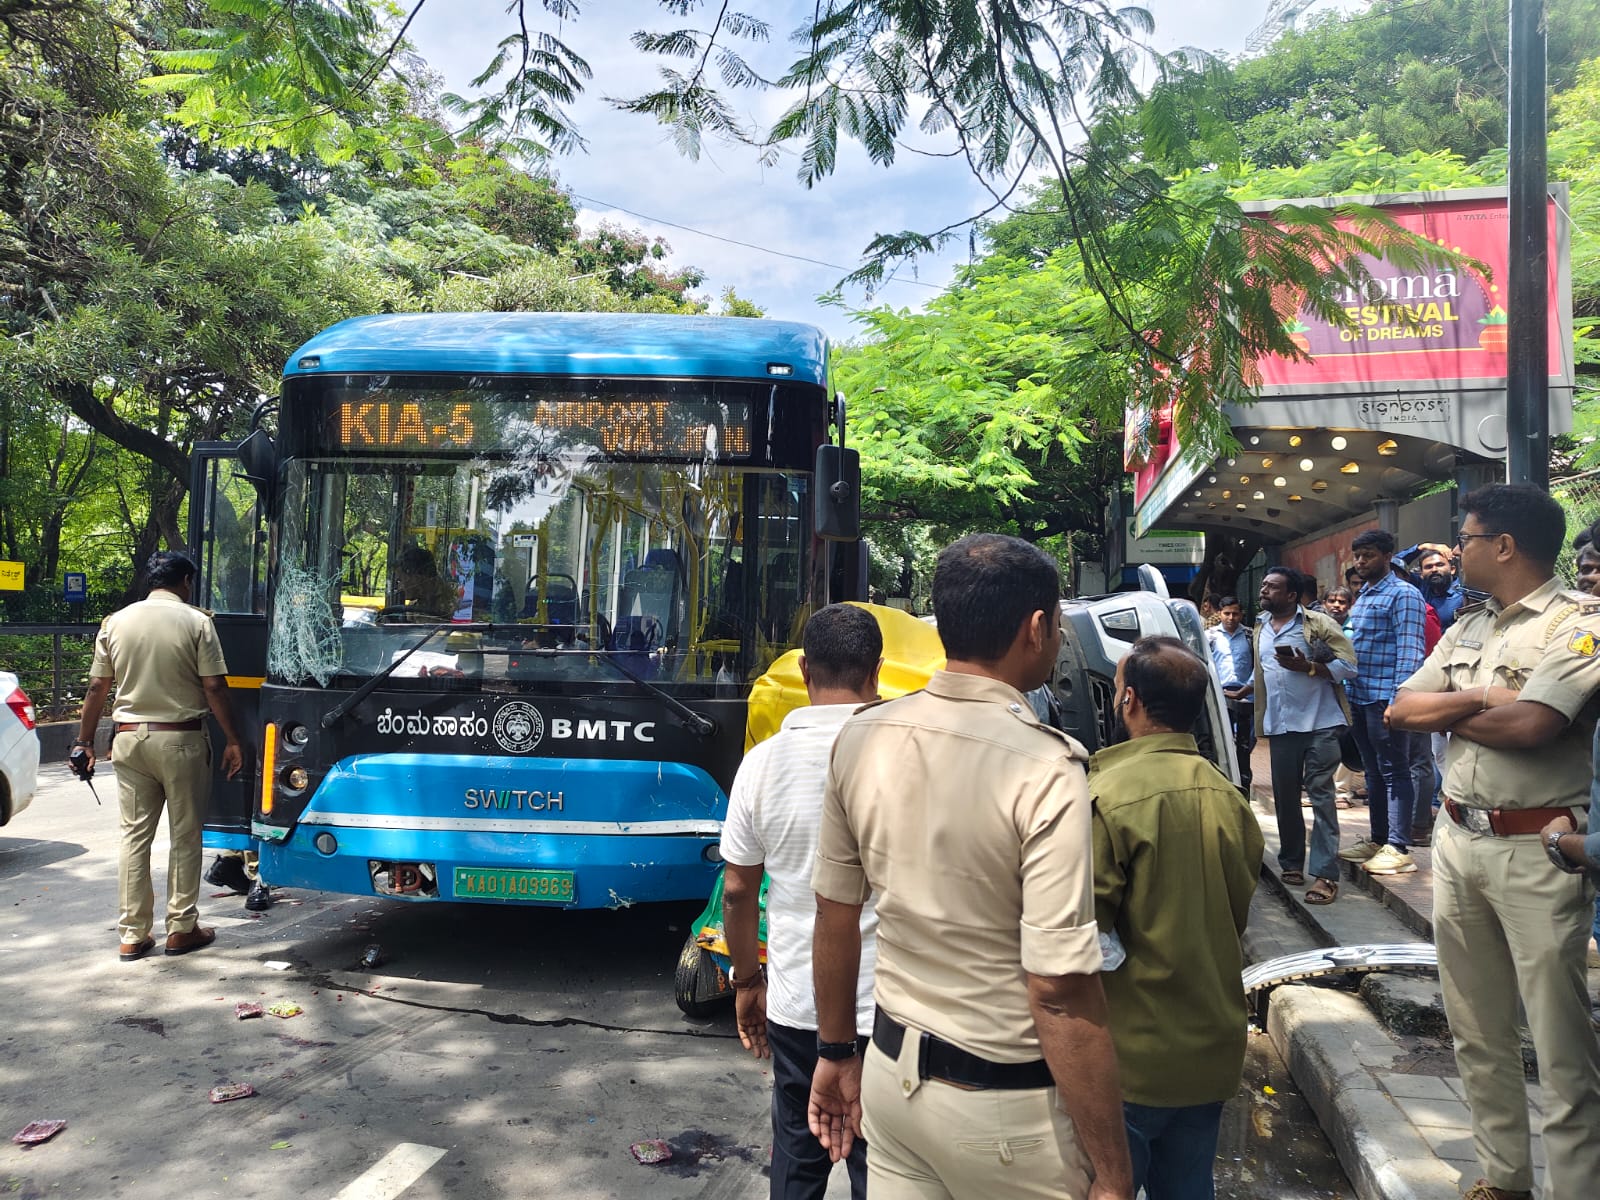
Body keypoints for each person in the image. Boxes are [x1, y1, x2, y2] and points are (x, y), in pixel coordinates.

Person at [809, 533, 1133, 1200]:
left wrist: (834, 1052)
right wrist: (1113, 1170)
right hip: (1007, 1118)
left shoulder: (863, 736)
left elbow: (834, 914)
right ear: (1036, 627)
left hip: (892, 1087)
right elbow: (1060, 989)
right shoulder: (1046, 766)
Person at [1389, 484, 1600, 1200]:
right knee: (1478, 1034)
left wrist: (1457, 710)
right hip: (1458, 839)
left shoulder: (1580, 625)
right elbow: (1400, 708)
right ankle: (1504, 1181)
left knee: (1562, 1048)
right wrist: (1486, 699)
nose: (1456, 550)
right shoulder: (1469, 625)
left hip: (1538, 848)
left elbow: (1533, 728)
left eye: (1467, 537)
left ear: (1503, 546)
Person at [1089, 637, 1263, 1198]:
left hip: (1132, 1055)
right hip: (1209, 1048)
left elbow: (1084, 936)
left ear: (1130, 701)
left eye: (1117, 691)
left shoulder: (1106, 795)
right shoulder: (1228, 797)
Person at [720, 604, 885, 1200]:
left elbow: (738, 890)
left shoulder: (762, 764)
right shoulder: (901, 759)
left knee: (797, 1148)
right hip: (885, 1004)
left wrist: (745, 981)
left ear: (805, 670)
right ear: (877, 672)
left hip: (797, 1002)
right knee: (881, 1162)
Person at [75, 551, 247, 961]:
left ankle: (132, 934)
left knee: (135, 837)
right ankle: (180, 928)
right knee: (185, 835)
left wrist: (83, 742)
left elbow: (98, 688)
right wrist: (235, 740)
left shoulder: (116, 622)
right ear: (186, 581)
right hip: (181, 741)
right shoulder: (196, 622)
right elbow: (214, 687)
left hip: (129, 741)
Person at [1252, 567, 1357, 905]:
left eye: (1272, 587)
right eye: (1264, 585)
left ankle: (1326, 874)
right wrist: (1246, 690)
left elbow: (1350, 666)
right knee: (1285, 797)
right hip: (1281, 726)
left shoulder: (1319, 624)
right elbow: (1264, 672)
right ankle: (1292, 862)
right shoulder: (1260, 627)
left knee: (1322, 796)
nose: (1264, 590)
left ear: (1292, 596)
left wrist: (1310, 668)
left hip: (1320, 724)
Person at [1338, 529, 1426, 875]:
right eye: (1358, 556)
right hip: (1359, 696)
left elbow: (1410, 651)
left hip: (1383, 698)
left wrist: (1397, 700)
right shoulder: (1365, 594)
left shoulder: (1403, 594)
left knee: (1395, 771)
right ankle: (1378, 839)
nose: (1361, 562)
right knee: (1372, 771)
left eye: (1369, 555)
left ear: (1388, 556)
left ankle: (1399, 846)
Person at [1206, 596, 1254, 794]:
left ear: (1241, 614)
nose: (1231, 618)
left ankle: (1244, 786)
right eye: (1227, 613)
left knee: (1247, 742)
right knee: (1222, 741)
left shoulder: (1251, 636)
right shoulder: (1209, 636)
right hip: (1221, 696)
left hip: (1247, 697)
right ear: (1219, 613)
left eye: (1235, 613)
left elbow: (1259, 665)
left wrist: (1249, 687)